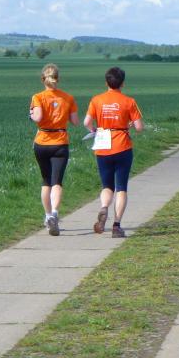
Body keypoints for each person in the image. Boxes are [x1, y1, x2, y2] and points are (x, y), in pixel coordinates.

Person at [84, 67, 144, 238]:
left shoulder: (96, 100)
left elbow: (86, 122)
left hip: (103, 146)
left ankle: (104, 207)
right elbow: (139, 127)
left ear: (106, 82)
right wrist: (128, 125)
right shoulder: (129, 101)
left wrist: (94, 130)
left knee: (107, 186)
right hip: (122, 146)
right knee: (121, 188)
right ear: (122, 83)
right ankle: (116, 226)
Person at [30, 64, 79, 236]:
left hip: (42, 142)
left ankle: (48, 215)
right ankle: (55, 213)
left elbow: (38, 117)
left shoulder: (38, 97)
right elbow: (75, 122)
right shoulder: (68, 98)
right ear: (58, 79)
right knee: (57, 181)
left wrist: (31, 114)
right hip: (60, 143)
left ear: (43, 79)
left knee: (46, 181)